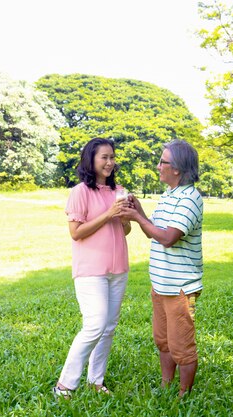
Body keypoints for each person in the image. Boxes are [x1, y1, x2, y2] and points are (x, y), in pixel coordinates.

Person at [120, 139, 203, 397]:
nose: (158, 166)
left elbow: (168, 238)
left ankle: (183, 395)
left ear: (177, 168)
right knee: (163, 341)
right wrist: (139, 209)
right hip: (160, 285)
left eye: (162, 162)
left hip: (179, 288)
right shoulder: (168, 195)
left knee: (182, 346)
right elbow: (152, 229)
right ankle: (167, 385)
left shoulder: (190, 198)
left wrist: (136, 217)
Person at [53, 137, 132, 398]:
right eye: (104, 157)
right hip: (91, 269)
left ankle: (96, 381)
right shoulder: (80, 192)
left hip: (118, 267)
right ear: (92, 160)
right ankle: (65, 383)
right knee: (95, 325)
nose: (110, 162)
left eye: (112, 157)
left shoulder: (118, 190)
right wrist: (109, 214)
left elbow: (127, 230)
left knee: (109, 327)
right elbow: (76, 233)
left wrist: (124, 216)